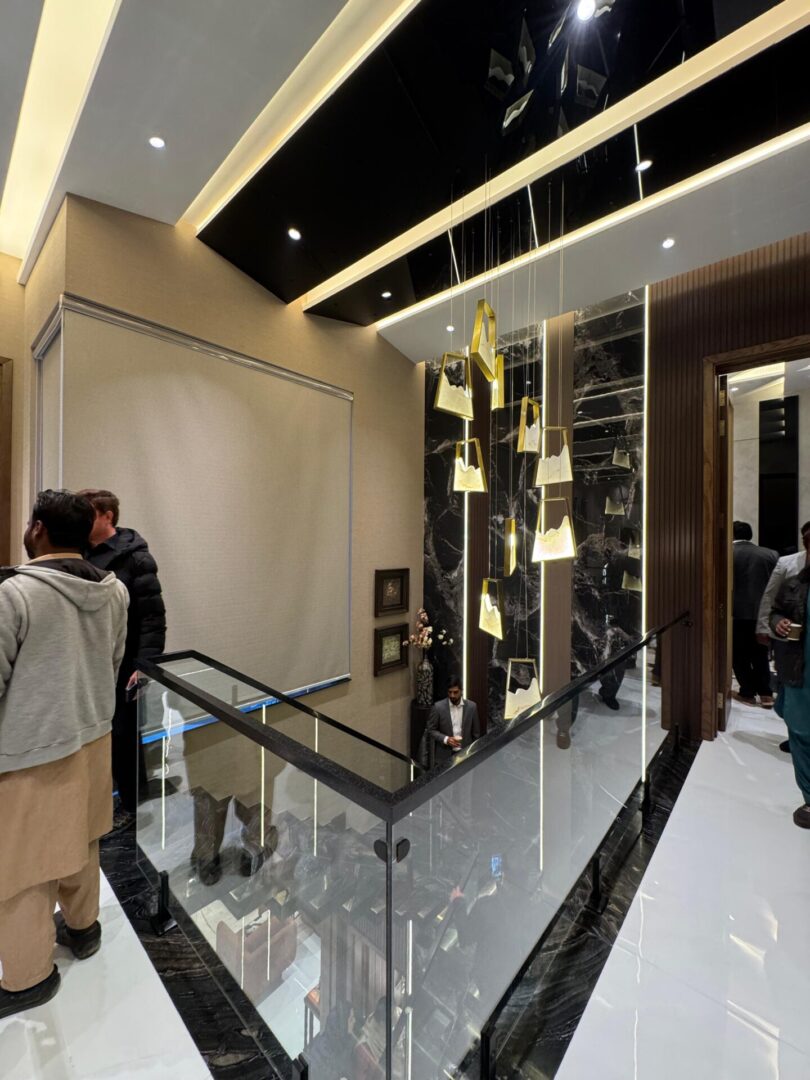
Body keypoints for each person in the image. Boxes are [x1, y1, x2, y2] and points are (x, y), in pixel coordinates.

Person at [0, 491, 128, 1018]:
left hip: (31, 749)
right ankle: (83, 929)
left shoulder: (15, 595)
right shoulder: (114, 592)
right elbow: (114, 660)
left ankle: (28, 977)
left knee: (23, 868)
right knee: (82, 839)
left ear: (38, 529)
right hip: (94, 736)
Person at [79, 489, 166, 822]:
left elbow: (152, 617)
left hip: (126, 663)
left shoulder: (136, 558)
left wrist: (146, 665)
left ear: (107, 515)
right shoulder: (78, 553)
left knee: (124, 737)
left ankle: (133, 807)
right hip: (89, 662)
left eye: (88, 514)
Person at [757, 522, 810, 750]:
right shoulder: (788, 563)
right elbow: (771, 599)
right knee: (788, 689)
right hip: (789, 641)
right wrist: (767, 626)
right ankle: (795, 732)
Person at [768, 567, 810, 829]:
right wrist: (778, 623)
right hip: (800, 670)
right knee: (800, 732)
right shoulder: (794, 585)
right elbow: (775, 612)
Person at [731, 521, 778, 707]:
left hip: (735, 613)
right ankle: (766, 694)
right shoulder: (770, 554)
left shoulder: (727, 553)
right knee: (760, 653)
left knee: (738, 655)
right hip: (763, 613)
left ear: (732, 534)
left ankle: (747, 692)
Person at [425, 675, 480, 766]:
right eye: (450, 692)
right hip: (444, 756)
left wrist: (474, 754)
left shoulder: (472, 707)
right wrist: (446, 739)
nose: (452, 695)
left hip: (465, 754)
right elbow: (430, 730)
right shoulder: (438, 707)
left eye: (455, 692)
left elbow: (476, 734)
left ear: (461, 691)